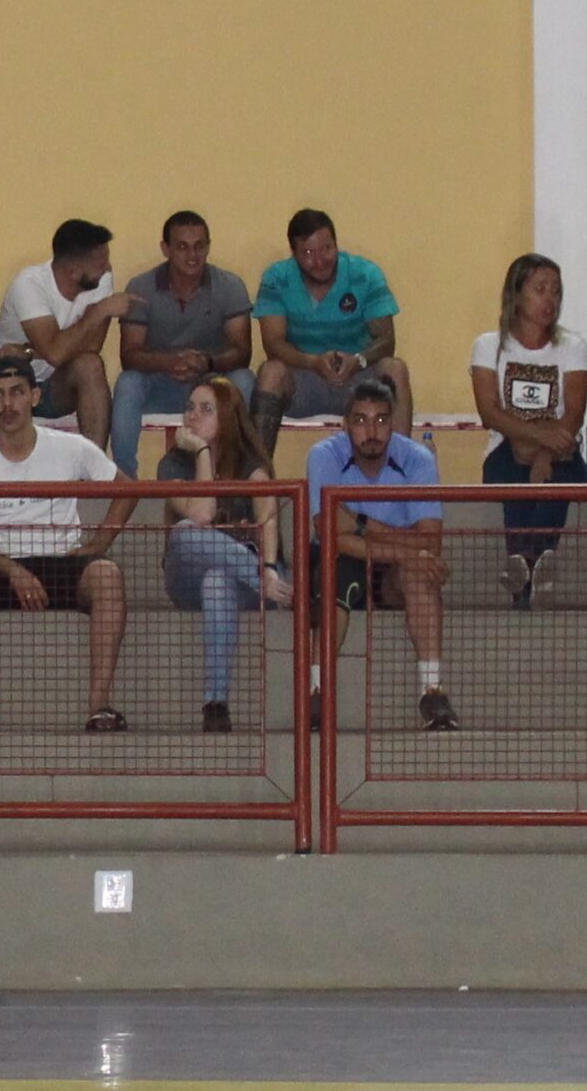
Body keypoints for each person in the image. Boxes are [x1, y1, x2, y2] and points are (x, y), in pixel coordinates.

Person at [0, 357, 138, 733]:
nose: (7, 404)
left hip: (61, 564)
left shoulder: (71, 447)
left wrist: (98, 543)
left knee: (107, 575)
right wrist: (13, 570)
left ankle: (100, 706)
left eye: (16, 393)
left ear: (35, 396)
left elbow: (127, 490)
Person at [303, 377, 458, 732]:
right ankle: (316, 692)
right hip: (340, 559)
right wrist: (404, 545)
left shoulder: (417, 460)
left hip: (391, 571)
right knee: (336, 574)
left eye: (381, 420)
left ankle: (433, 691)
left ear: (393, 423)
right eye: (360, 420)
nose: (371, 431)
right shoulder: (324, 456)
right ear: (345, 425)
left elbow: (431, 545)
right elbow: (328, 534)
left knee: (421, 571)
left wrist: (357, 523)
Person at [158, 376, 290, 732]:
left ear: (228, 417)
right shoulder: (172, 465)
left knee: (218, 581)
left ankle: (215, 702)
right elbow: (201, 513)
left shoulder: (251, 466)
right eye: (189, 408)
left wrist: (270, 564)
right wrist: (201, 452)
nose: (192, 417)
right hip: (186, 577)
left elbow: (268, 521)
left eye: (205, 409)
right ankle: (266, 581)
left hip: (245, 581)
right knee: (187, 532)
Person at [470, 253, 587, 611]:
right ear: (516, 294)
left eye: (556, 291)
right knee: (514, 471)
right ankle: (534, 562)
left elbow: (573, 414)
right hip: (507, 448)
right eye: (540, 289)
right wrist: (537, 439)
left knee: (558, 478)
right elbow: (490, 412)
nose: (550, 300)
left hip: (560, 451)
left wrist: (545, 454)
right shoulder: (488, 345)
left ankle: (524, 564)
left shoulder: (572, 347)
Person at [251, 209, 413, 461]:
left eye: (326, 248)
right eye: (308, 253)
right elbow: (273, 344)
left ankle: (401, 471)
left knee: (395, 368)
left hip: (359, 377)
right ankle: (256, 479)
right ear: (293, 254)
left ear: (336, 244)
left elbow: (386, 341)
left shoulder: (365, 274)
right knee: (270, 372)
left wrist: (357, 360)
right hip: (304, 378)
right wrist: (312, 362)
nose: (320, 260)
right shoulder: (276, 278)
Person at [111, 211, 254, 478]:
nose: (192, 255)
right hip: (160, 385)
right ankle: (124, 481)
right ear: (165, 249)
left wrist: (206, 363)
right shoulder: (141, 286)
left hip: (212, 386)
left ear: (209, 246)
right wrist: (170, 362)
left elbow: (242, 352)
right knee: (128, 383)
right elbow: (129, 355)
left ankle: (238, 476)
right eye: (182, 247)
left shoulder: (230, 286)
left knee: (244, 379)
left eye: (200, 246)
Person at [0, 218, 135, 453]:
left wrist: (28, 351)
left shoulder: (100, 279)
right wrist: (98, 311)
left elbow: (91, 347)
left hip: (52, 388)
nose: (108, 267)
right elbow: (55, 353)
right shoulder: (29, 284)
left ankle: (93, 475)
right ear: (74, 271)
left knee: (90, 364)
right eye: (101, 262)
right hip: (5, 387)